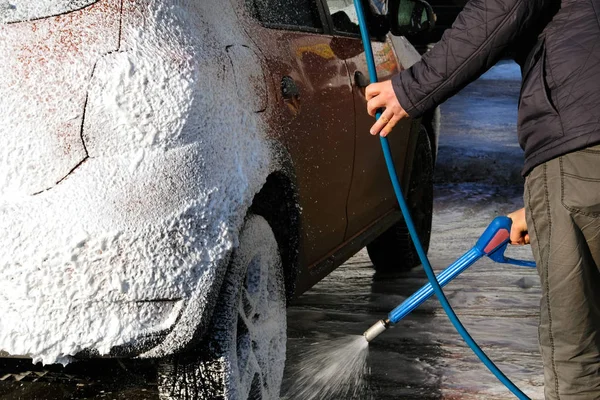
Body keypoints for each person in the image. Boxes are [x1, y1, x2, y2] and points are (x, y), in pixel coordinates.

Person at [366, 0, 600, 398]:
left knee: (577, 355)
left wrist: (411, 88)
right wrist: (544, 202)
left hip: (580, 144)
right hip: (583, 159)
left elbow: (503, 7)